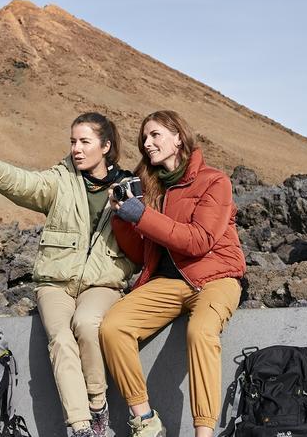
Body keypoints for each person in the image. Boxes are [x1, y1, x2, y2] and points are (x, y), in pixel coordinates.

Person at [0, 112, 138, 437]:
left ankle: (98, 403)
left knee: (86, 324)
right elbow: (27, 184)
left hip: (103, 281)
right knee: (60, 339)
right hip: (55, 282)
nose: (77, 149)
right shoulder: (60, 178)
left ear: (106, 146)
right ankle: (82, 427)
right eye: (73, 141)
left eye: (85, 142)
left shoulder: (127, 184)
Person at [100, 110, 246, 437]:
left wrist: (143, 215)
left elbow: (199, 240)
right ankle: (146, 421)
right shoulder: (150, 185)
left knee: (200, 332)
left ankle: (203, 432)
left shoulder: (214, 181)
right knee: (113, 326)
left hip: (216, 277)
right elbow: (140, 254)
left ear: (178, 136)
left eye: (155, 135)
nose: (147, 144)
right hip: (168, 283)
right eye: (144, 139)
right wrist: (124, 217)